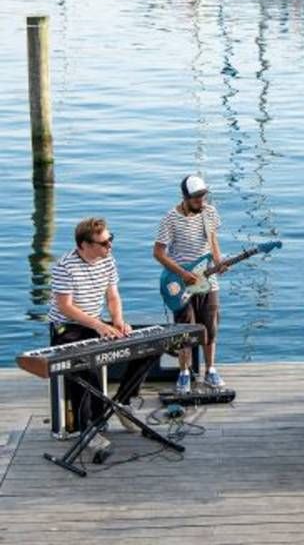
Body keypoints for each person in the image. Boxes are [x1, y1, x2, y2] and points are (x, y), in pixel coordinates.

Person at [48, 218, 154, 457]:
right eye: (104, 243)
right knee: (87, 366)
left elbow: (113, 296)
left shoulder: (108, 261)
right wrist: (98, 326)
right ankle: (88, 427)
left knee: (147, 347)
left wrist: (117, 320)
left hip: (95, 323)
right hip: (69, 328)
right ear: (85, 245)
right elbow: (65, 307)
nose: (109, 247)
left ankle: (124, 401)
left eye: (110, 240)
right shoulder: (64, 266)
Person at [153, 175, 226, 394]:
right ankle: (184, 372)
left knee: (210, 327)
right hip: (181, 282)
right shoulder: (170, 219)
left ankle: (210, 370)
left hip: (208, 280)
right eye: (196, 198)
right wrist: (182, 273)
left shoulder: (210, 212)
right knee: (185, 329)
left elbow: (213, 240)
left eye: (203, 197)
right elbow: (158, 252)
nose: (201, 202)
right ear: (184, 197)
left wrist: (219, 261)